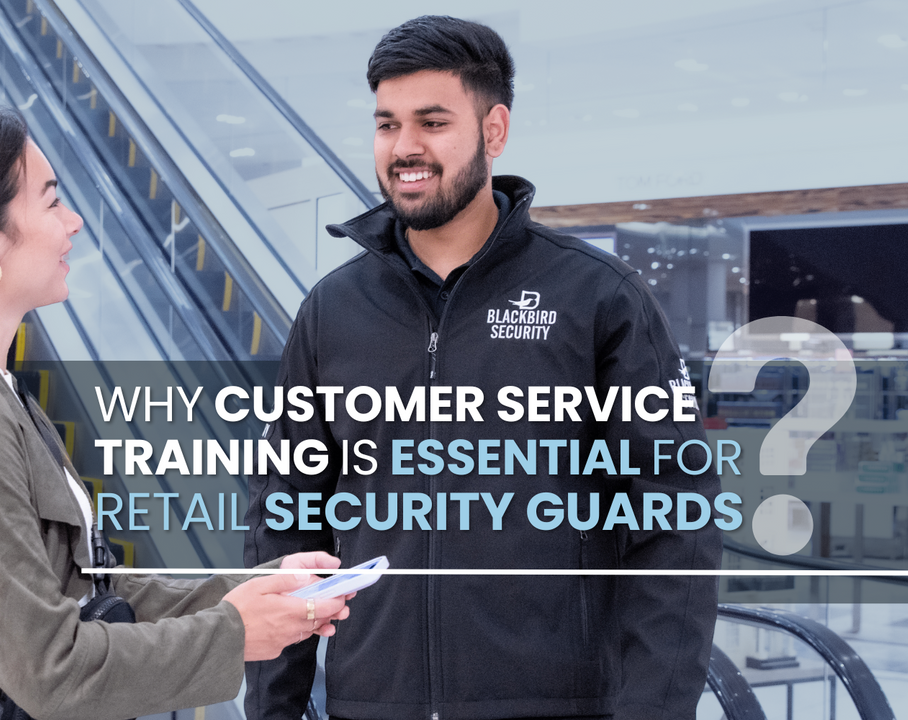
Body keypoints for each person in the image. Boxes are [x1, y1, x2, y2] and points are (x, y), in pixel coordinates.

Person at [244, 15, 722, 720]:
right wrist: (274, 709)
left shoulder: (597, 298)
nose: (404, 148)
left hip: (552, 704)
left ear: (493, 131)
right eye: (386, 124)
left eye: (432, 122)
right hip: (372, 702)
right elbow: (286, 522)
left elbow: (674, 526)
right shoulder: (333, 310)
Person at [0, 105, 351, 720]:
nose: (75, 223)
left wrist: (250, 591)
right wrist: (236, 631)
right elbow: (51, 671)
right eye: (51, 201)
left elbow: (85, 592)